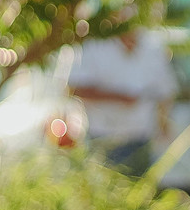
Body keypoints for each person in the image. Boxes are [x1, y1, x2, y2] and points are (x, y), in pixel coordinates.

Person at [67, 26, 178, 171]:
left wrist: (163, 124)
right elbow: (75, 88)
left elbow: (166, 91)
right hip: (102, 136)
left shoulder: (153, 45)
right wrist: (120, 97)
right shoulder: (94, 43)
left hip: (141, 137)